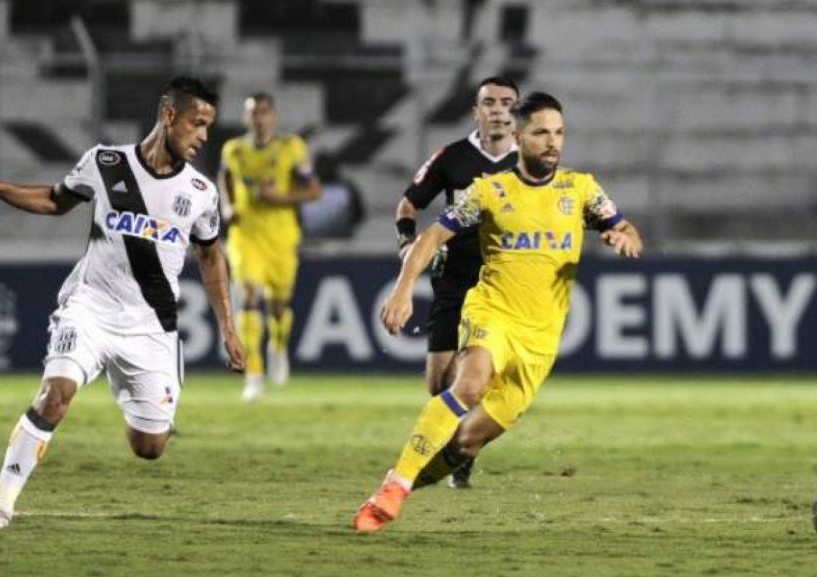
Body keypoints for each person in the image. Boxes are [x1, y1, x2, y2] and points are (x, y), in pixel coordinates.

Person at [0, 77, 247, 529]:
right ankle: (0, 506)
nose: (204, 136)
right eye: (197, 123)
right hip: (90, 308)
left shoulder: (202, 193)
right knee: (53, 396)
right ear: (169, 116)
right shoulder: (106, 163)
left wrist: (228, 328)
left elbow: (210, 257)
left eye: (208, 126)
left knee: (150, 447)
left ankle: (127, 387)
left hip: (150, 326)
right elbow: (53, 199)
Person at [353, 92, 643, 532]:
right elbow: (432, 235)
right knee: (468, 384)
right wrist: (403, 289)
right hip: (493, 313)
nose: (553, 142)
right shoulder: (489, 191)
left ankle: (398, 485)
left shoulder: (580, 189)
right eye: (542, 132)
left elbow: (624, 228)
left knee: (466, 444)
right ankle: (396, 485)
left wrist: (626, 239)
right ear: (519, 135)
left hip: (541, 340)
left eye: (559, 132)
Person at [394, 76, 519, 489]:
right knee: (438, 383)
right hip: (452, 279)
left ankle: (462, 454)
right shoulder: (451, 157)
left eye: (507, 103)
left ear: (516, 113)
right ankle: (456, 443)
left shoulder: (528, 164)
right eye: (490, 103)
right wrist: (406, 241)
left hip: (499, 285)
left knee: (476, 377)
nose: (498, 110)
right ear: (476, 112)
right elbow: (410, 203)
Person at [219, 92, 321, 403]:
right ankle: (254, 374)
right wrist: (226, 206)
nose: (258, 118)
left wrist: (281, 198)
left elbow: (314, 190)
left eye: (263, 112)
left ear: (273, 116)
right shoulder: (233, 150)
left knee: (278, 307)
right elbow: (223, 178)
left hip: (280, 238)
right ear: (245, 117)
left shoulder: (292, 148)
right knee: (248, 298)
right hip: (244, 235)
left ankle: (278, 346)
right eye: (253, 113)